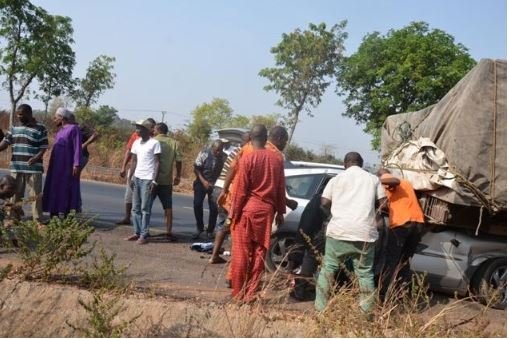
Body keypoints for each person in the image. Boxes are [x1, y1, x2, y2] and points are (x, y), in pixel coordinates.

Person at [315, 152, 386, 317]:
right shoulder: (373, 180)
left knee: (328, 269)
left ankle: (320, 310)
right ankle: (365, 315)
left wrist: (332, 215)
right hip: (365, 233)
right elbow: (384, 204)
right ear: (361, 164)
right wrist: (374, 215)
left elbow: (324, 202)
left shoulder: (337, 179)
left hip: (338, 231)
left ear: (344, 164)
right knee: (365, 274)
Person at [228, 124, 287, 303]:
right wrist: (280, 212)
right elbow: (280, 189)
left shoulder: (248, 158)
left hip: (247, 210)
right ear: (266, 137)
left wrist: (233, 214)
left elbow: (240, 191)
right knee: (259, 254)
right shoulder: (277, 160)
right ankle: (251, 294)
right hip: (266, 212)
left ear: (251, 139)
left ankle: (238, 295)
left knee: (241, 254)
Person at [377, 168, 425, 300]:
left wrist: (379, 180)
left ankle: (381, 296)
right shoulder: (407, 184)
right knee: (404, 260)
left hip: (402, 224)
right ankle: (401, 294)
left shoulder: (387, 181)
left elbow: (391, 180)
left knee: (391, 260)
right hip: (418, 223)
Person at [0, 104, 48, 222]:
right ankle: (13, 217)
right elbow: (5, 143)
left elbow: (43, 147)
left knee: (35, 195)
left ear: (29, 114)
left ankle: (38, 218)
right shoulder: (14, 127)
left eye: (21, 114)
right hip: (17, 167)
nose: (19, 116)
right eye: (17, 114)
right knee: (14, 194)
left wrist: (36, 158)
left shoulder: (40, 128)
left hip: (34, 167)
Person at [209, 131, 250, 264]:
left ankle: (215, 255)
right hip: (226, 190)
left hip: (218, 188)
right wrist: (226, 190)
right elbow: (233, 172)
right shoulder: (243, 152)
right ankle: (233, 259)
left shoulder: (236, 150)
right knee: (231, 223)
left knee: (223, 222)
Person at [125, 119, 161, 245]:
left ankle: (144, 235)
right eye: (136, 127)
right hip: (137, 177)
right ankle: (137, 232)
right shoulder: (136, 142)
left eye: (139, 128)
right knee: (135, 208)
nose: (137, 130)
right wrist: (130, 177)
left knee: (145, 208)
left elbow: (157, 162)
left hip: (147, 179)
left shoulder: (154, 143)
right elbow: (134, 160)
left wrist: (154, 180)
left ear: (146, 130)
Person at [42, 107, 82, 217]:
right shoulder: (60, 130)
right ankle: (53, 215)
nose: (54, 119)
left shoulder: (74, 129)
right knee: (53, 188)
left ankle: (65, 216)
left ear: (62, 118)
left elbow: (77, 147)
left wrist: (76, 164)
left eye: (56, 117)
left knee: (66, 189)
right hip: (55, 166)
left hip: (67, 166)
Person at [116, 118, 156, 225]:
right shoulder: (135, 137)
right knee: (129, 195)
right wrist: (123, 167)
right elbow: (129, 153)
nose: (138, 129)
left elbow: (157, 161)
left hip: (147, 174)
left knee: (143, 201)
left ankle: (142, 225)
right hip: (135, 171)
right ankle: (127, 217)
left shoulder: (155, 140)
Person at [153, 122, 182, 241]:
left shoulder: (152, 141)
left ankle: (142, 231)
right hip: (166, 180)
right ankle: (168, 231)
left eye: (154, 129)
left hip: (151, 179)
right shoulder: (175, 143)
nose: (153, 131)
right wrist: (178, 176)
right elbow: (179, 161)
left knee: (146, 206)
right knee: (168, 207)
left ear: (158, 130)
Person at [191, 139, 225, 240]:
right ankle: (199, 228)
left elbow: (225, 173)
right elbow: (196, 168)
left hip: (215, 185)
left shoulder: (224, 157)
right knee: (197, 204)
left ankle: (210, 230)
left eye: (220, 150)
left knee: (214, 208)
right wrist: (204, 182)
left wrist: (218, 184)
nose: (218, 152)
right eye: (216, 150)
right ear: (212, 148)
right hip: (201, 182)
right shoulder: (204, 153)